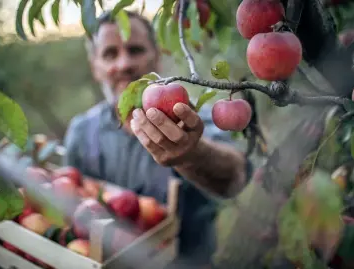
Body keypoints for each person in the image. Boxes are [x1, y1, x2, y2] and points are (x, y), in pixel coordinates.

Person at [63, 10, 253, 266]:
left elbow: (235, 177)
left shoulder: (190, 118)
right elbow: (70, 204)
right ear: (95, 67)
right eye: (110, 54)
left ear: (158, 57)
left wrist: (193, 154)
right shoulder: (81, 132)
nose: (124, 64)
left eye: (136, 50)